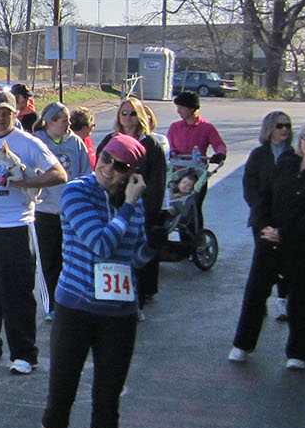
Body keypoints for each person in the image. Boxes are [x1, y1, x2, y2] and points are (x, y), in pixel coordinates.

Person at [21, 134, 150, 428]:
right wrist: (127, 209)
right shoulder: (78, 192)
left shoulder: (133, 201)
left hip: (118, 314)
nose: (108, 167)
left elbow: (141, 250)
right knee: (61, 392)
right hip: (76, 307)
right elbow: (102, 245)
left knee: (107, 398)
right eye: (106, 158)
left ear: (131, 173)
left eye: (120, 166)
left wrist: (128, 216)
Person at [0, 92, 66, 375]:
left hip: (15, 226)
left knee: (17, 293)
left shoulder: (28, 143)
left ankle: (24, 354)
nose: (0, 117)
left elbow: (59, 174)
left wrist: (27, 182)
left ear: (15, 115)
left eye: (6, 112)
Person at [231, 120, 305, 369]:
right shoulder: (287, 163)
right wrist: (264, 227)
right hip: (269, 239)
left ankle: (298, 353)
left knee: (300, 296)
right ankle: (242, 344)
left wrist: (284, 233)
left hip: (303, 245)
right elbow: (264, 196)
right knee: (255, 292)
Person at [99, 97, 167, 312]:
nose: (128, 117)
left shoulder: (151, 144)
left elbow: (157, 182)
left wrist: (149, 211)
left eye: (133, 113)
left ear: (141, 116)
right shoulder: (110, 140)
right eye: (124, 113)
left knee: (140, 253)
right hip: (113, 206)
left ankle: (143, 295)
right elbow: (99, 171)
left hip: (141, 206)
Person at [32, 102, 93, 318]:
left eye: (68, 120)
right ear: (49, 121)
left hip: (71, 212)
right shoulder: (37, 142)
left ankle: (71, 302)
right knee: (49, 260)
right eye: (63, 120)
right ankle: (51, 305)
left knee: (71, 259)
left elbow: (86, 172)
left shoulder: (76, 142)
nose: (68, 124)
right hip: (46, 211)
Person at [239, 111, 294, 322]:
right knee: (262, 262)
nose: (285, 130)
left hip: (286, 219)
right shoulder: (259, 154)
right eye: (280, 126)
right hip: (262, 218)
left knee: (285, 261)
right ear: (270, 129)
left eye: (288, 126)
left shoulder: (295, 155)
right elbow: (249, 186)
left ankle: (283, 300)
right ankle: (258, 302)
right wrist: (259, 212)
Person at [166, 92, 227, 234]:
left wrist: (219, 154)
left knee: (193, 206)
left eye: (181, 108)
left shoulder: (206, 127)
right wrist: (172, 151)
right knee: (173, 203)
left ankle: (197, 237)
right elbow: (169, 144)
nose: (178, 111)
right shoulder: (175, 127)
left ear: (192, 108)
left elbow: (219, 145)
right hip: (178, 173)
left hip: (197, 175)